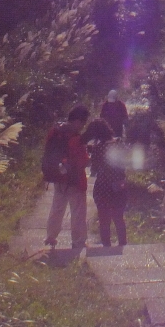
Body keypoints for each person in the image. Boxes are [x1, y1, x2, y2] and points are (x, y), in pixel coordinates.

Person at [43, 104, 90, 249]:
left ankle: (51, 237)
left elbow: (48, 150)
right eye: (83, 123)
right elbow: (83, 160)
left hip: (57, 177)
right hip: (75, 180)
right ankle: (78, 240)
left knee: (57, 208)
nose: (82, 126)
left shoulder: (55, 131)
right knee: (77, 211)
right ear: (78, 121)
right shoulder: (75, 138)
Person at [84, 118, 127, 248]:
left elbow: (94, 169)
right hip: (119, 185)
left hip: (103, 186)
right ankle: (122, 245)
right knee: (119, 218)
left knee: (104, 219)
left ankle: (106, 247)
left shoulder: (98, 148)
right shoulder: (119, 143)